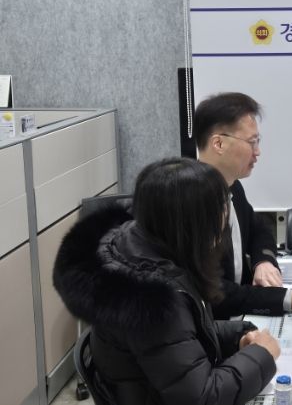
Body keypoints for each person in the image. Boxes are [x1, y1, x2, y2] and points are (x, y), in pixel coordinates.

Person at [53, 158, 279, 405]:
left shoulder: (139, 252)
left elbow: (182, 338)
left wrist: (238, 336)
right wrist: (261, 356)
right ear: (192, 222)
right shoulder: (154, 301)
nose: (226, 218)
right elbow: (202, 397)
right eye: (220, 208)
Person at [195, 92, 292, 319]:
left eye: (258, 141)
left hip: (241, 314)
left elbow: (259, 229)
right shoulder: (189, 202)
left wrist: (264, 261)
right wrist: (287, 299)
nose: (257, 152)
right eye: (251, 142)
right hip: (213, 327)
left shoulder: (232, 186)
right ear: (219, 143)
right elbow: (213, 291)